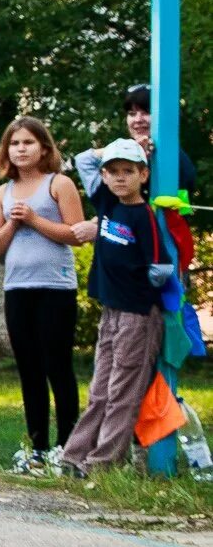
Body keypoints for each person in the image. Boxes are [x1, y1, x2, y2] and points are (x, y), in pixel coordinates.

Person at [57, 139, 167, 477]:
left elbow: (160, 267)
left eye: (128, 171)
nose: (120, 178)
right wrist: (112, 149)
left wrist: (139, 283)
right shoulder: (106, 201)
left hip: (137, 313)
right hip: (111, 310)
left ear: (143, 175)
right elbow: (82, 160)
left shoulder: (143, 214)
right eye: (113, 172)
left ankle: (103, 463)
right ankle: (74, 456)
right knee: (100, 387)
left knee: (123, 390)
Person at [0, 117, 84, 471]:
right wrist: (14, 221)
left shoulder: (59, 184)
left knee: (57, 365)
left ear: (44, 147)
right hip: (17, 288)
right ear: (6, 151)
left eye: (28, 142)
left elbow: (76, 233)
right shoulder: (3, 193)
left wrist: (35, 219)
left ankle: (68, 445)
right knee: (29, 368)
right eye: (15, 144)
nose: (21, 149)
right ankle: (37, 445)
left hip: (55, 287)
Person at [123, 83, 198, 195]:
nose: (138, 119)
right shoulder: (120, 153)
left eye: (146, 113)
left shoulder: (176, 159)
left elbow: (181, 208)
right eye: (132, 114)